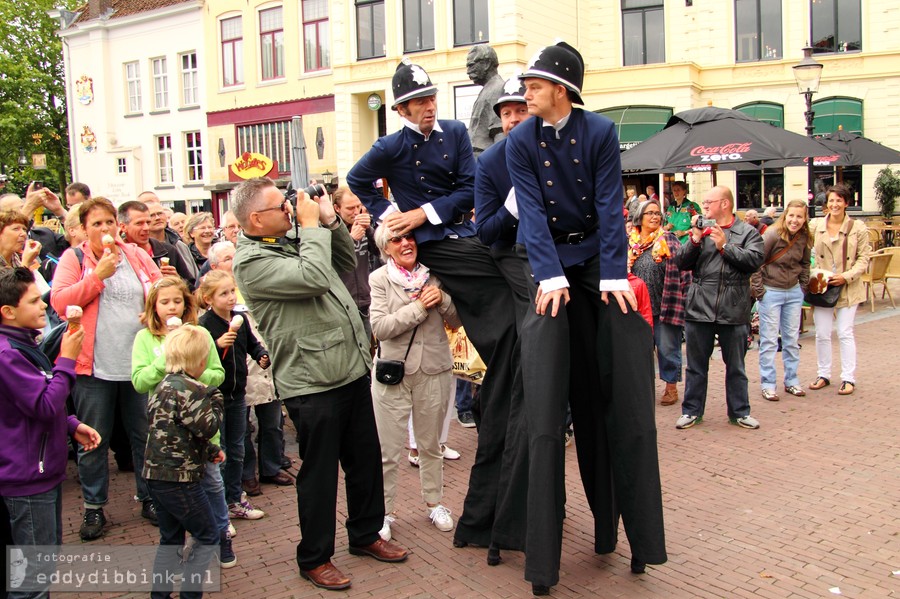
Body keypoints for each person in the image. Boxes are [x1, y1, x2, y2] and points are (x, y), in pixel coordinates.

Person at [505, 41, 666, 593]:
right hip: (550, 267)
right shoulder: (520, 140)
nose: (526, 92)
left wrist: (614, 275)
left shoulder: (598, 132)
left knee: (612, 396)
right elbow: (530, 212)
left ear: (562, 89)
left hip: (596, 260)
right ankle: (541, 557)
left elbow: (608, 206)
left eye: (534, 84)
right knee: (547, 397)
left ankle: (627, 532)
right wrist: (549, 277)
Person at [347, 59, 521, 565]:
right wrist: (392, 221)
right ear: (400, 108)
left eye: (431, 100)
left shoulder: (454, 132)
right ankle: (503, 355)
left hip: (453, 231)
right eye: (420, 102)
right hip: (428, 245)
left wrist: (426, 211)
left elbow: (469, 188)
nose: (429, 108)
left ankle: (505, 360)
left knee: (495, 272)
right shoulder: (389, 146)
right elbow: (359, 182)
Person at [231, 177, 408, 591]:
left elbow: (344, 260)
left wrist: (328, 223)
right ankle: (314, 557)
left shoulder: (295, 236)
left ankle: (365, 535)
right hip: (310, 381)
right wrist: (310, 228)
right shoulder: (250, 262)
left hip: (348, 366)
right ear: (256, 218)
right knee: (321, 474)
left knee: (365, 461)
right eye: (281, 205)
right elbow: (312, 277)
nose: (290, 209)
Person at [50, 197, 163, 540]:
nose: (105, 229)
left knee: (143, 435)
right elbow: (59, 303)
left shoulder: (135, 254)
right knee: (94, 440)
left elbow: (158, 289)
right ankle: (93, 508)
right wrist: (97, 277)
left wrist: (157, 305)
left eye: (109, 222)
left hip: (137, 364)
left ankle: (150, 497)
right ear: (84, 229)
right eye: (96, 223)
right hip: (94, 366)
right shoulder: (74, 258)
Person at [0, 267, 100, 597]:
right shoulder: (8, 354)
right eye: (33, 301)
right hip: (28, 476)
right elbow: (43, 405)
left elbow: (30, 400)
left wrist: (71, 425)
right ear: (9, 311)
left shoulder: (21, 344)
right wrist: (68, 360)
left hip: (38, 469)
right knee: (33, 580)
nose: (43, 305)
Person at [130, 276, 236, 568]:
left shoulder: (199, 333)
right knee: (179, 508)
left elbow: (217, 373)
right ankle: (193, 551)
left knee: (213, 485)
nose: (172, 307)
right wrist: (165, 361)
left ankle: (222, 535)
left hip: (202, 435)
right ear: (154, 306)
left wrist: (190, 373)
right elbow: (139, 382)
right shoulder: (145, 338)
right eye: (165, 302)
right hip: (170, 442)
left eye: (177, 301)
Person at [369, 224, 462, 542]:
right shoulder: (379, 279)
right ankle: (383, 511)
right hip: (393, 373)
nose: (406, 243)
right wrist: (420, 307)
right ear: (386, 247)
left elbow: (456, 320)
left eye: (409, 237)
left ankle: (435, 503)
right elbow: (380, 327)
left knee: (430, 445)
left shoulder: (436, 275)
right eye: (397, 239)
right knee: (388, 449)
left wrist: (444, 300)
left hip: (434, 370)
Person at [143, 324, 224, 599]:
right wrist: (216, 398)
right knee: (207, 536)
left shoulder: (162, 385)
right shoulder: (194, 390)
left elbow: (176, 430)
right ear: (200, 361)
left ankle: (160, 595)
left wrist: (209, 452)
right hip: (180, 480)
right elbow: (208, 428)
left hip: (155, 475)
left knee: (170, 539)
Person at [673, 185, 764, 430]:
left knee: (736, 365)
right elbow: (681, 262)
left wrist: (726, 246)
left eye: (708, 202)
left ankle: (740, 412)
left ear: (724, 203)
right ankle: (691, 411)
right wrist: (693, 240)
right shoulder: (702, 231)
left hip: (733, 306)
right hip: (700, 305)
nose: (704, 207)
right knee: (695, 365)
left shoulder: (747, 232)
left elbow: (754, 262)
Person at [197, 270, 269, 521]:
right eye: (223, 293)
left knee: (238, 447)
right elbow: (197, 358)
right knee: (221, 449)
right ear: (208, 298)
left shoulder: (240, 319)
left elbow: (252, 344)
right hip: (214, 396)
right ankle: (220, 503)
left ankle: (236, 497)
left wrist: (260, 354)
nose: (230, 297)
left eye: (232, 291)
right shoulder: (204, 325)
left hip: (238, 394)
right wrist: (217, 345)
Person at [808, 183, 871, 396]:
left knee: (845, 332)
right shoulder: (816, 226)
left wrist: (846, 276)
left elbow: (864, 258)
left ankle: (848, 377)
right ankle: (823, 373)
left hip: (847, 286)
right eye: (831, 200)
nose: (834, 204)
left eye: (838, 200)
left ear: (846, 203)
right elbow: (802, 249)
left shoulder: (858, 227)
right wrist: (814, 272)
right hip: (822, 286)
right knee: (822, 333)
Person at [628, 199, 691, 406]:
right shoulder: (629, 242)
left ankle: (671, 387)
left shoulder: (669, 240)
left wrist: (685, 296)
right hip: (636, 308)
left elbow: (684, 269)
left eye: (657, 213)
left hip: (665, 304)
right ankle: (642, 388)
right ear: (639, 217)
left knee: (667, 348)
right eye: (650, 213)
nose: (655, 217)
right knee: (639, 351)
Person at [750, 199, 812, 402]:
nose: (795, 220)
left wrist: (801, 288)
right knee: (769, 340)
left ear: (805, 218)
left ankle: (792, 380)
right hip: (771, 291)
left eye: (799, 216)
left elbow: (805, 263)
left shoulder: (804, 237)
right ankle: (768, 384)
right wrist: (760, 292)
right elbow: (756, 262)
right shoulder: (772, 234)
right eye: (792, 215)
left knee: (791, 339)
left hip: (793, 292)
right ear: (786, 215)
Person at [332, 187, 381, 345]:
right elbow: (329, 264)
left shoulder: (363, 227)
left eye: (358, 206)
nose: (355, 212)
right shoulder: (329, 231)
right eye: (350, 208)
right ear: (337, 208)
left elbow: (381, 251)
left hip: (364, 302)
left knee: (366, 349)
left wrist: (370, 230)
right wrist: (350, 240)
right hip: (341, 306)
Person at [118, 201, 195, 284]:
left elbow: (191, 290)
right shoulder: (118, 256)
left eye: (148, 222)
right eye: (139, 223)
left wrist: (178, 280)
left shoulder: (168, 251)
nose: (146, 228)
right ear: (123, 227)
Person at [140, 193, 198, 287]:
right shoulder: (137, 248)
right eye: (152, 215)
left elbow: (192, 283)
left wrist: (178, 279)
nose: (157, 218)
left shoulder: (178, 245)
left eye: (160, 213)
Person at [465, 45, 505, 157]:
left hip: (485, 159)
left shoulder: (497, 89)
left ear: (486, 64)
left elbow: (499, 132)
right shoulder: (489, 89)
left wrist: (496, 167)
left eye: (471, 66)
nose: (468, 71)